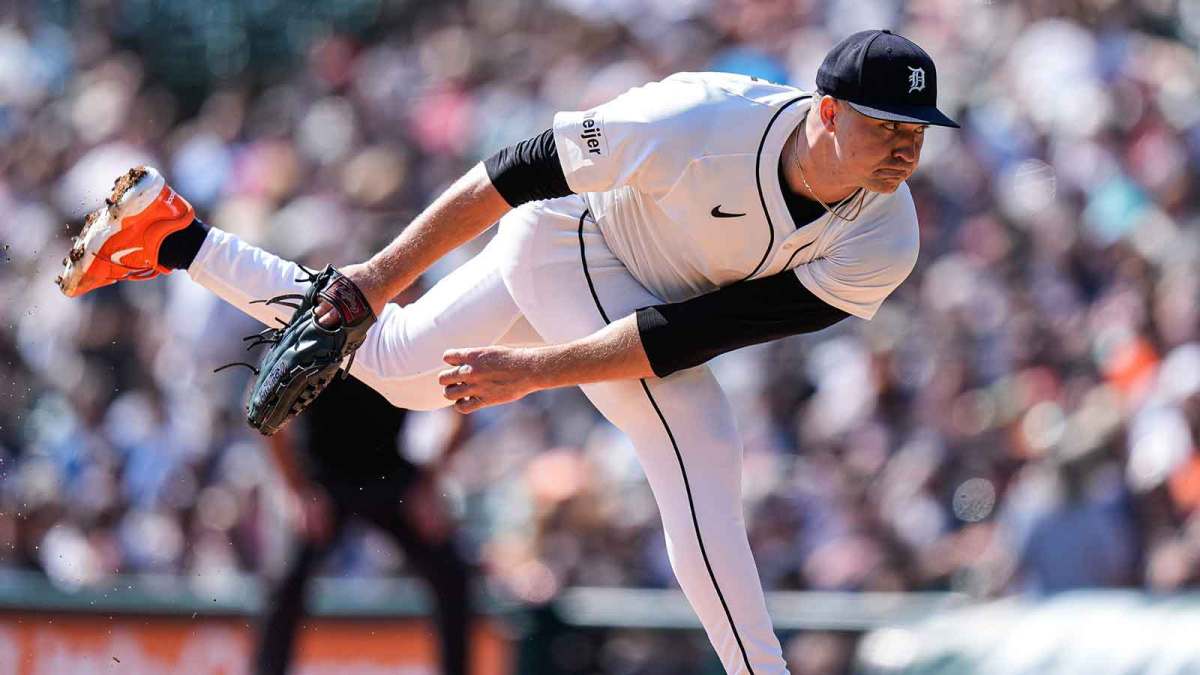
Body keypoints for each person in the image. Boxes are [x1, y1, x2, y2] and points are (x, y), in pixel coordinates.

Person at [58, 29, 958, 674]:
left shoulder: (885, 238)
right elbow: (513, 169)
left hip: (636, 301)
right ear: (830, 112)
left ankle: (173, 238)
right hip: (568, 237)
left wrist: (534, 371)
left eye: (917, 130)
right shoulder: (698, 119)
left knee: (395, 368)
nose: (905, 147)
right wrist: (374, 275)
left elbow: (689, 336)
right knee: (701, 442)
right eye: (888, 125)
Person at [255, 373, 473, 675]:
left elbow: (465, 408)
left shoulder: (408, 329)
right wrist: (298, 490)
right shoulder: (317, 329)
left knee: (452, 575)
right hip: (322, 480)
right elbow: (264, 408)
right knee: (284, 584)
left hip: (389, 473)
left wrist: (428, 483)